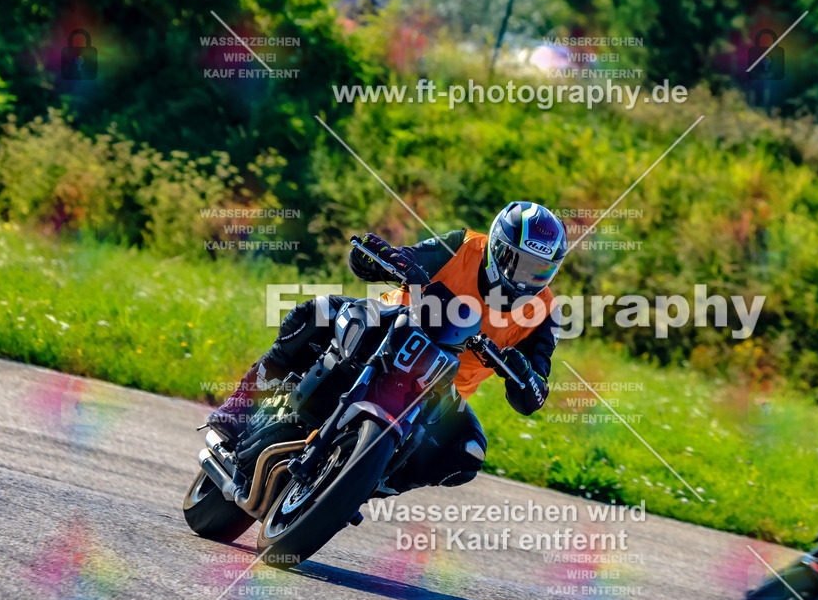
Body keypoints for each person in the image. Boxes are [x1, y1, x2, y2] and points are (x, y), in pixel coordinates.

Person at [206, 201, 567, 494]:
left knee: (468, 451)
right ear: (497, 246)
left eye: (538, 271)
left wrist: (524, 375)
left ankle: (375, 480)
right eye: (517, 263)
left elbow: (532, 396)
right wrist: (383, 258)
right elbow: (406, 257)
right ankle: (242, 405)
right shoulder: (464, 245)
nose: (524, 278)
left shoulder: (544, 311)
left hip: (438, 388)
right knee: (315, 312)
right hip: (392, 328)